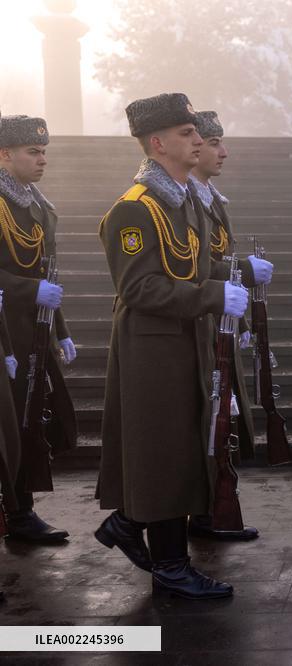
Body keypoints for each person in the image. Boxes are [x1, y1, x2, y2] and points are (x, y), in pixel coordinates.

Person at [95, 92, 270, 599]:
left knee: (183, 447)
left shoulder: (183, 198)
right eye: (187, 133)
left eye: (197, 132)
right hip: (152, 350)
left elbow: (193, 267)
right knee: (165, 452)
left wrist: (231, 277)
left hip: (184, 341)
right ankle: (170, 566)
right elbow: (139, 288)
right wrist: (214, 293)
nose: (198, 140)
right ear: (158, 143)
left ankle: (130, 527)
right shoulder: (135, 209)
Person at [0, 113, 77, 543]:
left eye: (44, 151)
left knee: (31, 421)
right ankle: (14, 511)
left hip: (35, 330)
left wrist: (61, 329)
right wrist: (31, 291)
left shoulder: (40, 206)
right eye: (34, 151)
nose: (42, 159)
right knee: (10, 425)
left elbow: (50, 274)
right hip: (4, 331)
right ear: (5, 154)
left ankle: (20, 510)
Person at [188, 110, 260, 541]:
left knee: (220, 419)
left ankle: (209, 511)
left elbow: (220, 266)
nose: (222, 151)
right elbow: (198, 271)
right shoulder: (186, 200)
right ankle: (200, 513)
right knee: (203, 420)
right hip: (197, 321)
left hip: (220, 321)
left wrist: (243, 316)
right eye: (213, 142)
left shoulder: (210, 198)